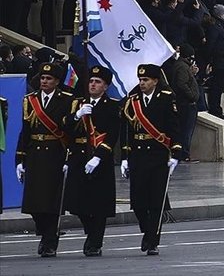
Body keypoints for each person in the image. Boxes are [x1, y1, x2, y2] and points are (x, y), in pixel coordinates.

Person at [120, 64, 183, 255]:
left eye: (146, 80)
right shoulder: (133, 101)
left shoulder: (165, 98)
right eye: (140, 80)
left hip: (157, 154)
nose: (142, 83)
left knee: (156, 201)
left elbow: (174, 127)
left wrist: (176, 153)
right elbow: (127, 130)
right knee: (138, 202)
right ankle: (147, 230)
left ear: (155, 81)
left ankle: (152, 240)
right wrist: (125, 156)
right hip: (138, 154)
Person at [15, 63, 75, 257]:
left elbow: (70, 132)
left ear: (57, 81)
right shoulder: (30, 100)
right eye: (42, 78)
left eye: (49, 79)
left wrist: (69, 158)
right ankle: (44, 231)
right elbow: (25, 131)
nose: (44, 82)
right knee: (34, 202)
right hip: (35, 154)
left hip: (55, 153)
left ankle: (50, 241)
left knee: (51, 201)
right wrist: (19, 159)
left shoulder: (66, 100)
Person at [64, 66, 121, 256]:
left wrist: (98, 157)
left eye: (97, 82)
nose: (93, 85)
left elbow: (112, 134)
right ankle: (91, 232)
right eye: (91, 81)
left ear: (105, 86)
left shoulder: (112, 105)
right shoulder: (78, 104)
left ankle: (95, 241)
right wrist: (76, 116)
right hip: (79, 157)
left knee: (99, 204)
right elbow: (66, 130)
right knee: (76, 202)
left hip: (99, 158)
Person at [169, 45, 200, 163]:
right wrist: (192, 95)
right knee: (186, 131)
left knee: (186, 130)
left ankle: (184, 153)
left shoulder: (183, 66)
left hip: (186, 103)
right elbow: (182, 84)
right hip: (186, 104)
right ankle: (184, 154)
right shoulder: (182, 67)